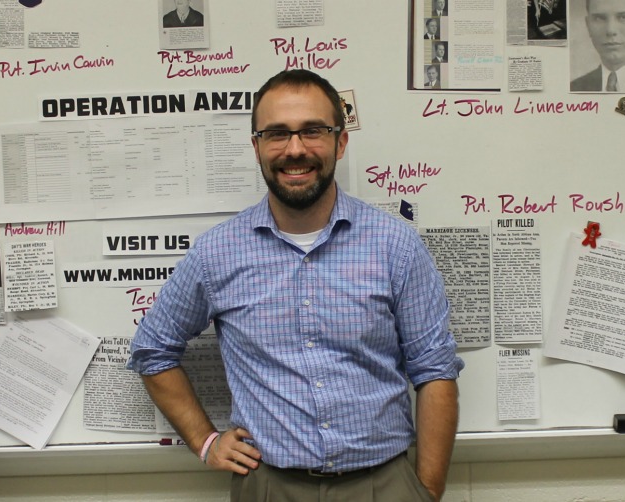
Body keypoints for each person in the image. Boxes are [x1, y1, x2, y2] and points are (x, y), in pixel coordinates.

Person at [129, 69, 463, 502]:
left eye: (313, 131)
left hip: (385, 483)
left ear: (341, 141)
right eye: (276, 134)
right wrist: (205, 441)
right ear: (257, 147)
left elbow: (434, 371)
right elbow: (152, 350)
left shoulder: (395, 245)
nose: (295, 149)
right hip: (268, 485)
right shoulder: (217, 253)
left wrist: (426, 492)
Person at [571, 0, 625, 92]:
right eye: (599, 18)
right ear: (588, 26)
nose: (610, 30)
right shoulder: (574, 88)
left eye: (623, 17)